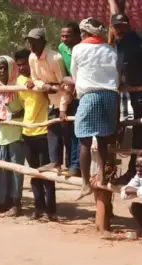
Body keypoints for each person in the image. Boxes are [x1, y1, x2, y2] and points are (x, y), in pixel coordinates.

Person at [69, 18, 119, 199]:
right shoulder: (110, 49)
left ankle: (85, 183)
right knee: (103, 139)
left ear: (85, 33)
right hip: (110, 96)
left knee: (84, 140)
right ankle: (103, 176)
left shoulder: (78, 49)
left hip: (89, 95)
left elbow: (75, 75)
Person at [16, 49, 57, 220]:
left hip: (43, 131)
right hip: (27, 131)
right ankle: (38, 208)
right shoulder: (18, 81)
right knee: (34, 174)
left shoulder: (41, 79)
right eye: (19, 65)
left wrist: (38, 84)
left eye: (24, 64)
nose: (22, 68)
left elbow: (52, 96)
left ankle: (51, 210)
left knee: (47, 174)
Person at [25, 28, 71, 173]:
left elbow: (64, 84)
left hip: (64, 98)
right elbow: (34, 79)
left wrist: (63, 107)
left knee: (68, 134)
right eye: (29, 42)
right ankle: (55, 162)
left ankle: (72, 166)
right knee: (53, 131)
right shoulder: (32, 58)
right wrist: (44, 86)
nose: (31, 46)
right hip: (50, 99)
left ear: (43, 42)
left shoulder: (54, 58)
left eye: (34, 42)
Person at [0, 55, 25, 216]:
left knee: (16, 170)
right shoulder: (0, 88)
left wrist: (9, 116)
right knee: (0, 168)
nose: (1, 71)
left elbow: (25, 109)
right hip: (2, 133)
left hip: (16, 133)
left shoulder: (18, 85)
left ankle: (16, 203)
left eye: (4, 68)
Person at [109, 8, 142, 184]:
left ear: (129, 26)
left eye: (122, 26)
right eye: (116, 27)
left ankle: (133, 174)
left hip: (138, 95)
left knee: (139, 135)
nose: (119, 29)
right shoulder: (119, 43)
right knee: (136, 133)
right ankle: (134, 174)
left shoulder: (135, 43)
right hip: (130, 95)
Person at [57, 22, 82, 177]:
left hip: (85, 92)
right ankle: (73, 164)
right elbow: (63, 73)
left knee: (81, 130)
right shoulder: (61, 48)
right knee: (71, 130)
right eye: (63, 36)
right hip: (71, 93)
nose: (64, 39)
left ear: (78, 36)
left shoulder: (84, 49)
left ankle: (77, 165)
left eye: (68, 36)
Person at [121, 157, 142, 237]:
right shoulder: (139, 175)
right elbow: (125, 192)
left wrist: (135, 191)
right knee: (133, 207)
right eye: (137, 166)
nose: (139, 169)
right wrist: (138, 191)